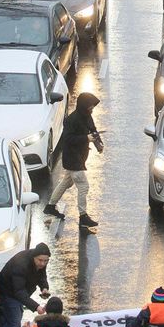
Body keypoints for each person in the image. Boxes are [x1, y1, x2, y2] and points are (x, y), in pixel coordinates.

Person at [44, 92, 103, 231]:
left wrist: (98, 143)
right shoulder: (72, 120)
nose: (92, 109)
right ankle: (83, 217)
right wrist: (86, 139)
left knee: (67, 182)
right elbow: (68, 139)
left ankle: (51, 206)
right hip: (73, 158)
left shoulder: (87, 117)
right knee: (84, 186)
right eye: (90, 107)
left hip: (79, 157)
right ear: (84, 106)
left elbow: (93, 131)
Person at [0, 243, 51, 327]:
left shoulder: (39, 261)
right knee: (15, 323)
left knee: (10, 319)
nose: (43, 264)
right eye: (40, 260)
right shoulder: (20, 265)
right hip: (9, 292)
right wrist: (36, 306)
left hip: (20, 291)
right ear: (34, 257)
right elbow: (19, 292)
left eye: (46, 261)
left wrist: (44, 288)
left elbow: (41, 275)